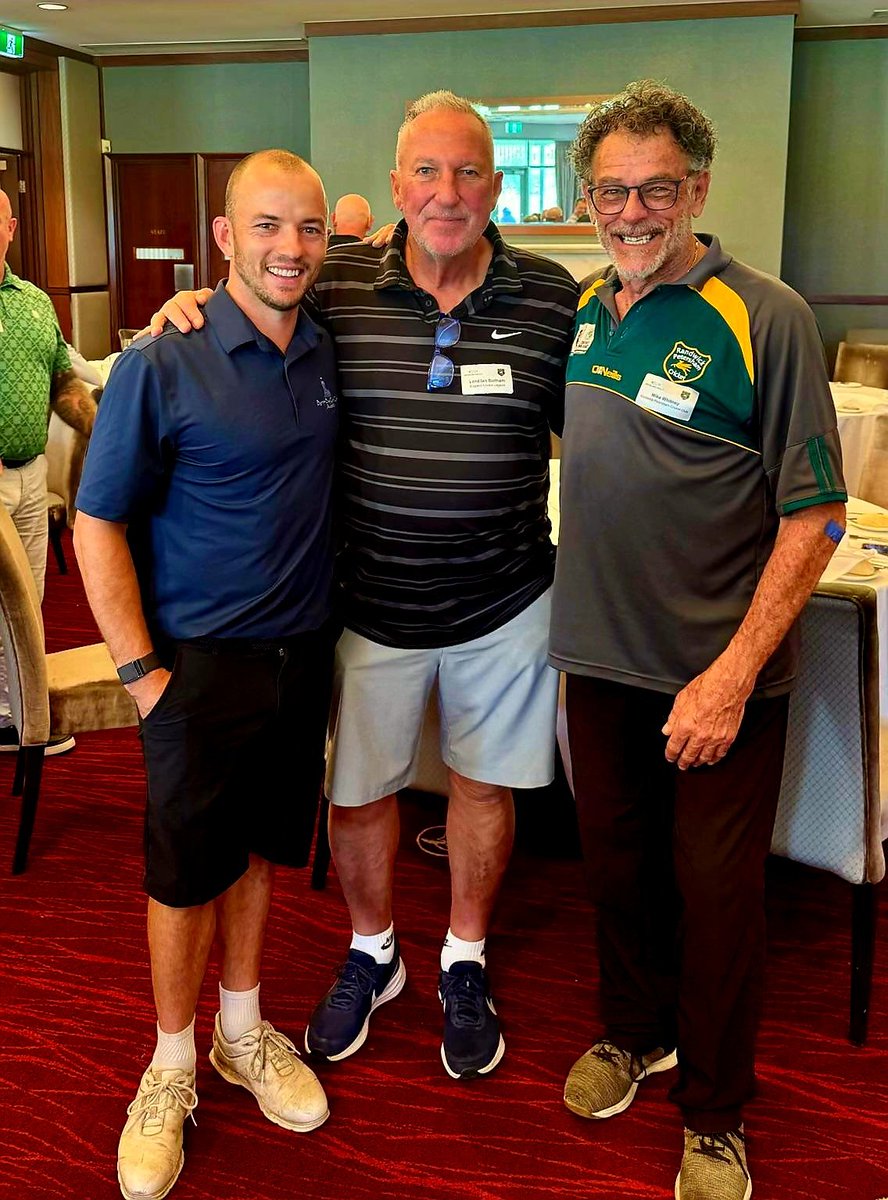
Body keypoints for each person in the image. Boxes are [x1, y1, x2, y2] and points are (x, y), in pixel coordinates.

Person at [151, 91, 578, 1082]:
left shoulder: (552, 298)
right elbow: (258, 299)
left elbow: (597, 432)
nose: (446, 192)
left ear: (497, 188)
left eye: (467, 172)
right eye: (426, 171)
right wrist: (191, 308)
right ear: (395, 186)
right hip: (366, 601)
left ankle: (464, 956)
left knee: (483, 786)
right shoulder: (338, 281)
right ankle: (373, 950)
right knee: (359, 790)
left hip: (505, 597)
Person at [549, 80, 846, 1200]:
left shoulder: (766, 315)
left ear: (699, 191)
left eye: (656, 189)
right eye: (611, 192)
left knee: (718, 899)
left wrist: (730, 675)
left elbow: (816, 516)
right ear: (587, 200)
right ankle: (636, 1032)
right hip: (598, 662)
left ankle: (716, 1114)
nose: (632, 212)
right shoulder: (586, 308)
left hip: (717, 678)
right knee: (615, 868)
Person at [74, 150, 338, 1200]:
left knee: (260, 852)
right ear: (224, 237)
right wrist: (142, 676)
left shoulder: (323, 342)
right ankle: (171, 1063)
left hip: (300, 657)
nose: (290, 247)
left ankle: (241, 1030)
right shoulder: (162, 359)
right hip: (194, 667)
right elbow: (96, 523)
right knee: (183, 876)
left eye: (309, 227)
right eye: (266, 225)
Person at [0, 187, 97, 756]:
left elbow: (63, 383)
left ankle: (16, 713)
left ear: (11, 228)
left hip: (31, 473)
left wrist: (106, 436)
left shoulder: (35, 302)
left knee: (26, 601)